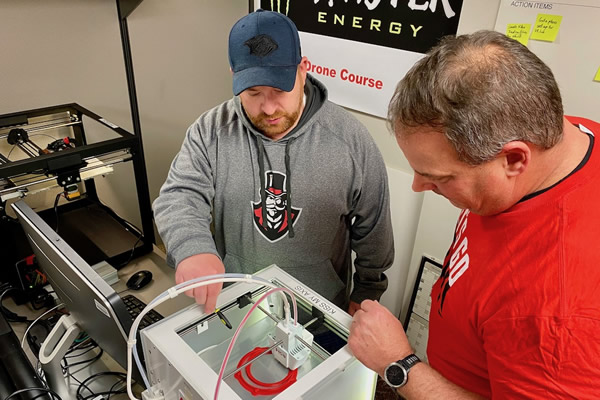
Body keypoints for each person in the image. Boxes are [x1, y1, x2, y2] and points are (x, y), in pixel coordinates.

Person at [348, 30, 600, 399]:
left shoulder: (558, 314)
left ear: (514, 159)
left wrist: (399, 364)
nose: (418, 186)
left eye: (439, 177)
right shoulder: (560, 134)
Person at [153, 10, 394, 316]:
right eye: (253, 92)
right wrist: (193, 247)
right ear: (234, 76)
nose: (268, 107)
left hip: (319, 312)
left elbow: (374, 231)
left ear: (303, 70)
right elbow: (179, 195)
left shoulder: (351, 140)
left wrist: (365, 296)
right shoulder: (210, 130)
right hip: (236, 304)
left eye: (279, 90)